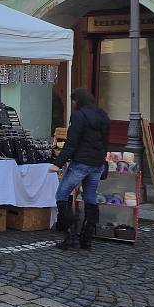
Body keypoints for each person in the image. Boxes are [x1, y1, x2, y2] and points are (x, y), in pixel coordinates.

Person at [49, 88, 111, 250]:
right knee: (90, 197)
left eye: (73, 101)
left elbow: (71, 143)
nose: (73, 104)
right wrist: (102, 158)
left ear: (77, 101)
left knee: (61, 195)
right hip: (97, 163)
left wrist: (58, 163)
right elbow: (105, 141)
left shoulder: (79, 116)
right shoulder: (103, 115)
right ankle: (87, 238)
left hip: (81, 163)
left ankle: (72, 236)